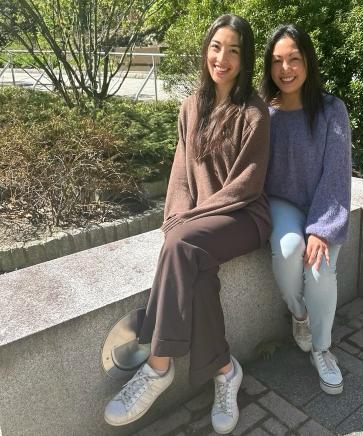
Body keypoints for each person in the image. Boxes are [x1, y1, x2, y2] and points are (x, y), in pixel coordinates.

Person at [104, 14, 271, 434]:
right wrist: (176, 218)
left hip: (244, 216)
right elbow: (180, 173)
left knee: (181, 246)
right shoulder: (192, 105)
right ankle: (224, 369)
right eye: (217, 47)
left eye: (234, 50)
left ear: (245, 57)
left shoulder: (253, 112)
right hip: (200, 230)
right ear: (205, 51)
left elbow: (247, 184)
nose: (223, 57)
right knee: (190, 266)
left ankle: (158, 367)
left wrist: (189, 222)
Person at [260, 24, 351, 395]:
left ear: (308, 62)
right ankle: (300, 316)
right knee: (287, 252)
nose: (286, 69)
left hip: (323, 205)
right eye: (278, 61)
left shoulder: (332, 110)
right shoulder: (264, 113)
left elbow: (337, 173)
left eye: (294, 59)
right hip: (281, 203)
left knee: (319, 269)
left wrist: (321, 230)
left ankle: (322, 348)